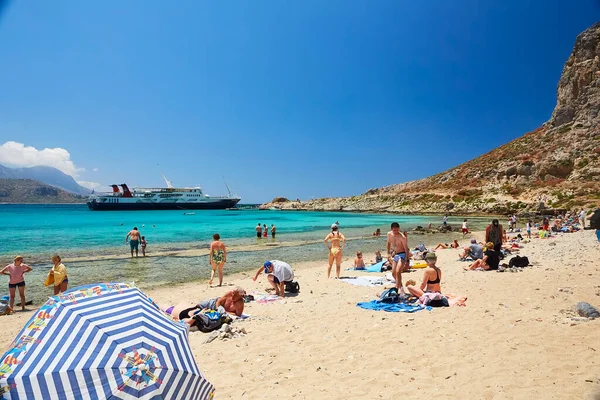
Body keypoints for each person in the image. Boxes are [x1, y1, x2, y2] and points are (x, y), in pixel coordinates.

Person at [164, 287, 247, 320]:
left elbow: (238, 315)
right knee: (198, 306)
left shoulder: (240, 304)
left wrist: (225, 312)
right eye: (233, 293)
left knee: (195, 313)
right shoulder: (229, 293)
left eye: (235, 295)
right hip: (213, 303)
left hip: (217, 310)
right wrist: (218, 308)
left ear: (240, 297)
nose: (232, 295)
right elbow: (218, 302)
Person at [387, 222, 409, 293]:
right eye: (394, 230)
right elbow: (388, 243)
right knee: (393, 273)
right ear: (391, 229)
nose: (395, 231)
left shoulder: (402, 237)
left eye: (397, 229)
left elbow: (406, 249)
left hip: (402, 254)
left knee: (398, 271)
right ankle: (401, 287)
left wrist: (407, 261)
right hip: (396, 255)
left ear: (399, 229)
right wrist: (388, 253)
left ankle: (396, 288)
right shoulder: (389, 234)